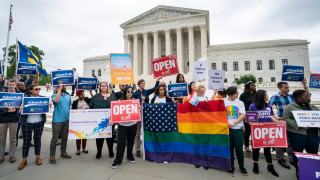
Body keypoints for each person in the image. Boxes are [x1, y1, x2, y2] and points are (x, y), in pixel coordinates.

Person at [283, 89, 319, 178]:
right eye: (306, 96)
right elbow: (286, 119)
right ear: (299, 98)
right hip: (298, 135)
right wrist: (299, 125)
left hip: (314, 135)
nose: (309, 98)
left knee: (313, 154)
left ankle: (311, 171)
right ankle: (298, 170)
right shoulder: (289, 107)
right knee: (297, 153)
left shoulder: (313, 107)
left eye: (309, 96)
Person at [18, 84, 49, 170]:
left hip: (39, 122)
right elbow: (19, 110)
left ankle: (38, 157)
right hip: (27, 122)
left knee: (37, 140)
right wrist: (20, 109)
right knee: (26, 141)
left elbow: (46, 108)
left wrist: (48, 106)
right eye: (36, 89)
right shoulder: (25, 99)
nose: (38, 90)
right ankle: (24, 160)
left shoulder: (43, 98)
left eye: (39, 89)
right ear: (30, 90)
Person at [249, 90, 280, 177]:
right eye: (266, 95)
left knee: (267, 149)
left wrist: (279, 121)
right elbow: (251, 121)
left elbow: (272, 117)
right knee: (256, 149)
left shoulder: (269, 106)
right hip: (257, 132)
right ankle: (255, 165)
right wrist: (256, 124)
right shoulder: (252, 106)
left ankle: (270, 166)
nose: (267, 96)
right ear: (261, 96)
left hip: (267, 132)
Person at [84, 82, 117, 159]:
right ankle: (99, 151)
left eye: (105, 86)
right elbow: (91, 105)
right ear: (100, 87)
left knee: (110, 137)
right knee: (99, 138)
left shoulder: (112, 96)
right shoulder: (96, 96)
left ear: (107, 87)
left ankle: (110, 151)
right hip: (99, 122)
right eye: (102, 86)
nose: (103, 87)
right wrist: (87, 107)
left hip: (110, 121)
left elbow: (116, 106)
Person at [269, 81, 297, 168]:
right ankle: (280, 159)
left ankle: (291, 158)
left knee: (290, 141)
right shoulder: (275, 97)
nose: (288, 89)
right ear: (280, 88)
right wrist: (275, 117)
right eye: (286, 87)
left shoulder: (291, 96)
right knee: (280, 141)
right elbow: (268, 108)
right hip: (281, 121)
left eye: (288, 87)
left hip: (292, 121)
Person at [133, 77, 162, 157]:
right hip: (138, 114)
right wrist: (138, 104)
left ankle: (147, 148)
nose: (143, 84)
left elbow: (154, 89)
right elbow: (132, 102)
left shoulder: (146, 92)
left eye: (144, 83)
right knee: (138, 133)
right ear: (139, 85)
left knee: (146, 131)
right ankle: (138, 149)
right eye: (142, 83)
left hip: (146, 113)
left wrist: (157, 81)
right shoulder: (136, 93)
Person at [223, 86, 248, 176]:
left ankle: (241, 167)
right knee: (229, 149)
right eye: (236, 92)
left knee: (239, 150)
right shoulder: (224, 102)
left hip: (238, 129)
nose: (238, 94)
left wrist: (234, 122)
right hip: (227, 130)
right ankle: (231, 166)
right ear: (230, 94)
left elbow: (243, 114)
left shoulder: (240, 102)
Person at [112, 86, 137, 169]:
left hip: (133, 125)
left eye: (131, 91)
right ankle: (118, 160)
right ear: (125, 92)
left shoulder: (135, 101)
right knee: (121, 144)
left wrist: (139, 108)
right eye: (128, 91)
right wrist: (112, 119)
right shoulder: (120, 101)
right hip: (122, 126)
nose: (130, 93)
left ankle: (130, 156)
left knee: (131, 142)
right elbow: (115, 113)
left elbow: (137, 113)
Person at [49, 83, 72, 164]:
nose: (64, 86)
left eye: (65, 85)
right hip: (57, 121)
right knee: (55, 139)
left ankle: (63, 152)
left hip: (66, 120)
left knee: (65, 138)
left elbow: (68, 107)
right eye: (62, 85)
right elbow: (56, 101)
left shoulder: (68, 96)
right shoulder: (54, 95)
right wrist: (59, 89)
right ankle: (52, 155)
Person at [0, 79, 20, 164]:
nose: (11, 86)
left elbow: (21, 108)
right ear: (7, 85)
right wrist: (7, 111)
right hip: (3, 119)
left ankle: (12, 155)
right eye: (9, 84)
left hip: (13, 119)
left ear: (15, 85)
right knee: (1, 138)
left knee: (13, 138)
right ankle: (1, 155)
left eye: (13, 84)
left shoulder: (19, 95)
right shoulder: (2, 94)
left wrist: (15, 110)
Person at [72, 90, 93, 155]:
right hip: (78, 121)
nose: (83, 95)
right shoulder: (75, 102)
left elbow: (94, 99)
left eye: (83, 94)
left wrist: (91, 92)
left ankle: (84, 148)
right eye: (81, 94)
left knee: (84, 135)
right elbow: (73, 111)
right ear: (78, 95)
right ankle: (78, 149)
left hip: (86, 120)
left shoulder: (86, 99)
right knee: (78, 136)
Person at [239, 80, 256, 153]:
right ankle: (246, 146)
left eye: (254, 85)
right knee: (248, 130)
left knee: (254, 130)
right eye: (252, 85)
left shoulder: (255, 94)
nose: (253, 86)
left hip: (255, 113)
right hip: (247, 114)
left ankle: (255, 145)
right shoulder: (243, 95)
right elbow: (240, 105)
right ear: (247, 86)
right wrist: (242, 116)